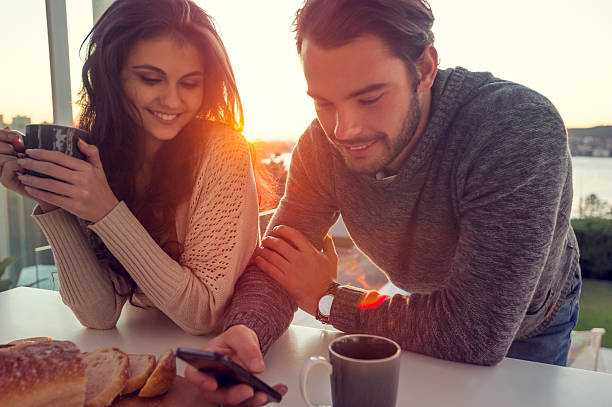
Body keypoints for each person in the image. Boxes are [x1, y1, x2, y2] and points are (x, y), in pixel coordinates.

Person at [186, 0, 581, 405]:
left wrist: (326, 299)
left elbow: (475, 333)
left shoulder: (515, 132)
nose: (344, 130)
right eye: (324, 102)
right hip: (420, 302)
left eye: (370, 98)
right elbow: (281, 260)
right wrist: (245, 331)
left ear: (424, 69)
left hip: (527, 321)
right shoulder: (321, 147)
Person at [0, 0, 262, 337]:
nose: (172, 101)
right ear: (113, 76)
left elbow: (204, 314)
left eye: (189, 83)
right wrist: (54, 201)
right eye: (151, 79)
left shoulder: (224, 151)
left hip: (236, 359)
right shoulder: (102, 154)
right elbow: (98, 314)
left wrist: (105, 209)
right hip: (149, 352)